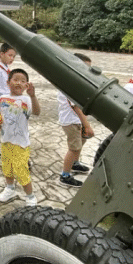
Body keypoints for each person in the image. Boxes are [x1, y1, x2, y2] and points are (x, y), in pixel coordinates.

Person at [0, 68, 40, 206]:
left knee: (21, 170)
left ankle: (30, 196)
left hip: (21, 144)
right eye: (15, 79)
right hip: (6, 141)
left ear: (26, 85)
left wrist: (33, 96)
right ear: (8, 82)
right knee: (7, 167)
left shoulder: (27, 100)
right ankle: (10, 188)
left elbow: (36, 112)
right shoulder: (2, 99)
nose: (19, 83)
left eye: (23, 81)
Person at [57, 53, 96, 188]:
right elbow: (76, 108)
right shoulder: (69, 84)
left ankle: (75, 163)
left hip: (75, 120)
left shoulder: (74, 81)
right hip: (71, 121)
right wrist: (88, 126)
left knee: (81, 141)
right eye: (85, 68)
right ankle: (65, 175)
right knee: (74, 148)